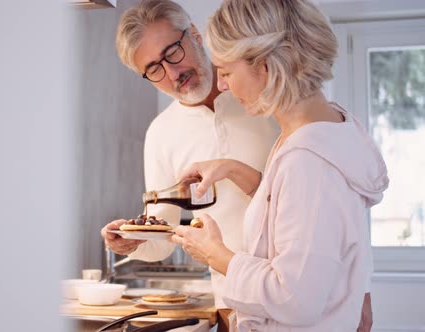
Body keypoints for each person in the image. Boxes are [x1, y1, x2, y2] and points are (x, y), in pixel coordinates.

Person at [170, 0, 388, 331]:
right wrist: (233, 169)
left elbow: (294, 299)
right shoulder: (325, 128)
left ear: (267, 64)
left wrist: (217, 255)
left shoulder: (308, 162)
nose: (224, 85)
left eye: (227, 72)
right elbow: (305, 219)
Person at [99, 0, 279, 330]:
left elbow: (327, 196)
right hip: (234, 304)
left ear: (195, 34)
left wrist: (362, 290)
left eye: (172, 53)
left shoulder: (267, 94)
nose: (171, 73)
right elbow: (161, 237)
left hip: (303, 290)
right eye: (153, 69)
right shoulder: (161, 134)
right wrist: (133, 242)